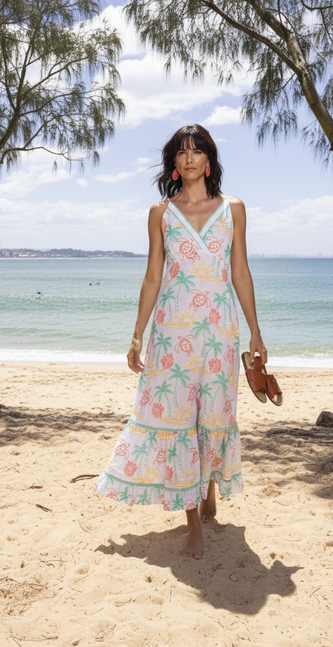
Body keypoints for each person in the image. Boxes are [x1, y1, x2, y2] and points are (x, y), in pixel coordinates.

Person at [95, 124, 267, 560]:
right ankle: (193, 525)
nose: (189, 158)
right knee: (177, 417)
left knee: (211, 414)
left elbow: (240, 272)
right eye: (181, 152)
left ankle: (208, 489)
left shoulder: (234, 209)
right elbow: (153, 276)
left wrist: (256, 331)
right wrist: (137, 334)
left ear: (209, 160)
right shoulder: (160, 213)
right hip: (172, 331)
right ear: (173, 163)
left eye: (197, 151)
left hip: (218, 331)